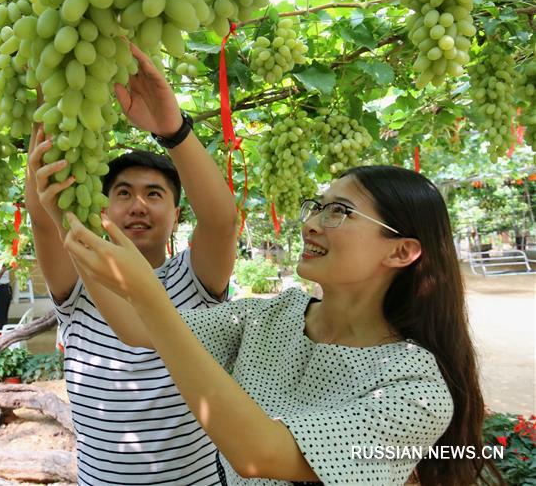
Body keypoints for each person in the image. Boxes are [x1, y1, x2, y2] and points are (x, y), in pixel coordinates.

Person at [62, 165, 503, 486]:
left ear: (402, 252)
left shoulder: (414, 389)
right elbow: (141, 330)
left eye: (340, 212)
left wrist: (148, 294)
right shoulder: (269, 316)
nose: (310, 224)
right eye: (317, 207)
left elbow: (259, 455)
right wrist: (66, 217)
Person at [26, 43, 240, 484]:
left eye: (154, 194)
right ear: (102, 209)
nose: (138, 204)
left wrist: (173, 129)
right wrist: (55, 97)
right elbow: (46, 225)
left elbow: (221, 221)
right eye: (123, 193)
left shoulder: (194, 280)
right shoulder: (81, 282)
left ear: (178, 215)